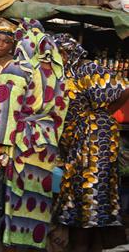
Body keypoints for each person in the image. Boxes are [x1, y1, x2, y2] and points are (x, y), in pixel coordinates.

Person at [0, 19, 69, 251]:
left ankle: (12, 244)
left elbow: (4, 110)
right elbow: (60, 113)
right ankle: (34, 242)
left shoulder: (16, 69)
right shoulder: (56, 74)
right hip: (46, 144)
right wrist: (52, 139)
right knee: (39, 201)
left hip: (21, 142)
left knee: (14, 198)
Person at [54, 34, 129, 252]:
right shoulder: (62, 74)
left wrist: (106, 111)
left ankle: (84, 245)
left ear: (69, 53)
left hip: (95, 140)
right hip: (79, 140)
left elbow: (124, 88)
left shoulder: (87, 70)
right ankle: (94, 245)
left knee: (89, 193)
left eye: (60, 52)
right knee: (87, 195)